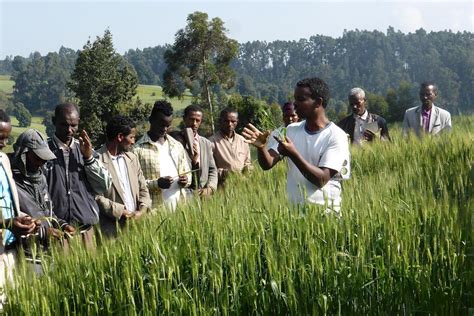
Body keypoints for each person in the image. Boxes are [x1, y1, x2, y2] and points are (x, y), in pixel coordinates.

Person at [243, 77, 350, 213]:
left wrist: (293, 154)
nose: (295, 104)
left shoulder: (336, 136)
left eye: (301, 99)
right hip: (295, 216)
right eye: (295, 99)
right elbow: (267, 164)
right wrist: (261, 147)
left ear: (318, 102)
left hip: (326, 217)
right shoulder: (291, 130)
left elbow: (322, 179)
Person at [44, 103, 112, 247]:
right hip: (56, 233)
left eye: (74, 125)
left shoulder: (87, 150)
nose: (69, 130)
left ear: (79, 122)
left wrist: (88, 158)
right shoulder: (43, 151)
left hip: (85, 231)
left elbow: (104, 185)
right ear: (54, 121)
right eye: (64, 125)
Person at [10, 129, 76, 254]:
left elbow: (47, 211)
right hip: (24, 253)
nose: (41, 164)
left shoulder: (41, 179)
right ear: (23, 154)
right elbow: (12, 223)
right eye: (37, 158)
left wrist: (62, 225)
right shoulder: (11, 181)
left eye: (44, 160)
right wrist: (44, 232)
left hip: (47, 252)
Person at [0, 110, 37, 305]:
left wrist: (23, 218)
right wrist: (6, 224)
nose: (4, 144)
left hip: (11, 250)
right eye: (0, 138)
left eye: (7, 138)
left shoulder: (4, 161)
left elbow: (9, 201)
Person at [95, 116, 151, 237]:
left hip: (137, 228)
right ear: (120, 137)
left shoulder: (132, 159)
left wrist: (141, 211)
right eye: (131, 137)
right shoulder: (96, 160)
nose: (133, 141)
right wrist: (121, 212)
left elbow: (143, 189)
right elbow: (95, 196)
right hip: (111, 231)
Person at [133, 100, 191, 211]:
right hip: (153, 212)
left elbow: (188, 174)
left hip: (179, 210)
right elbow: (134, 184)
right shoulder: (137, 150)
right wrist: (157, 184)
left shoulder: (177, 146)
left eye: (167, 125)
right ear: (151, 120)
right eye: (161, 124)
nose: (164, 129)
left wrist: (186, 180)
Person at [181, 105, 218, 196]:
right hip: (183, 195)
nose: (194, 123)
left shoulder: (206, 143)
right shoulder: (176, 142)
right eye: (191, 119)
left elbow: (212, 170)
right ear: (184, 119)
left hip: (203, 195)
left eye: (198, 120)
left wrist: (210, 188)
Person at [208, 108, 252, 184]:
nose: (229, 124)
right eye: (226, 121)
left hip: (242, 186)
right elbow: (209, 170)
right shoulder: (211, 142)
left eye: (233, 121)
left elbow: (248, 163)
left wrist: (248, 170)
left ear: (237, 122)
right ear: (220, 121)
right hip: (222, 188)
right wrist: (226, 173)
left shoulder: (243, 141)